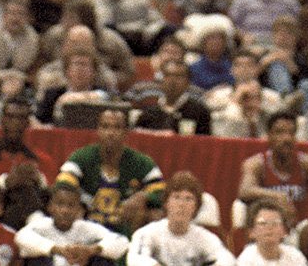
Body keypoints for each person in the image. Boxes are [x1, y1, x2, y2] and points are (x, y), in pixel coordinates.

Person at [56, 107, 164, 235]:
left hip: (124, 227)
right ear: (98, 130)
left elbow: (162, 192)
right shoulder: (81, 157)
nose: (110, 133)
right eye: (105, 127)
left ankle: (134, 247)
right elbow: (62, 184)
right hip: (86, 226)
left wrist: (144, 197)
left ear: (126, 132)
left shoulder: (141, 161)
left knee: (155, 214)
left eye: (117, 127)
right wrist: (79, 202)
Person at [237, 112, 308, 230]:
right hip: (267, 230)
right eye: (280, 132)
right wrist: (277, 196)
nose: (287, 138)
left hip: (300, 228)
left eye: (291, 133)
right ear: (269, 136)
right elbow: (244, 191)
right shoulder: (256, 163)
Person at [127, 171, 235, 266]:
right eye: (176, 197)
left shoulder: (204, 238)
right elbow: (135, 259)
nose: (181, 204)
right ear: (166, 203)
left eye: (189, 199)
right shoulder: (147, 233)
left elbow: (227, 260)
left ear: (196, 207)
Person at [14, 180, 129, 264]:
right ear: (50, 207)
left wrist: (90, 250)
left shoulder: (85, 227)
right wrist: (58, 250)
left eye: (71, 205)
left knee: (102, 260)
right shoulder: (41, 225)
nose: (65, 210)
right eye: (60, 204)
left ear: (79, 210)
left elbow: (121, 241)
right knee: (35, 259)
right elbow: (21, 237)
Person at [236, 200, 308, 266]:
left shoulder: (295, 256)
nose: (269, 228)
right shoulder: (246, 260)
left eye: (275, 223)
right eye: (263, 223)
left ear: (284, 231)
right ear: (251, 232)